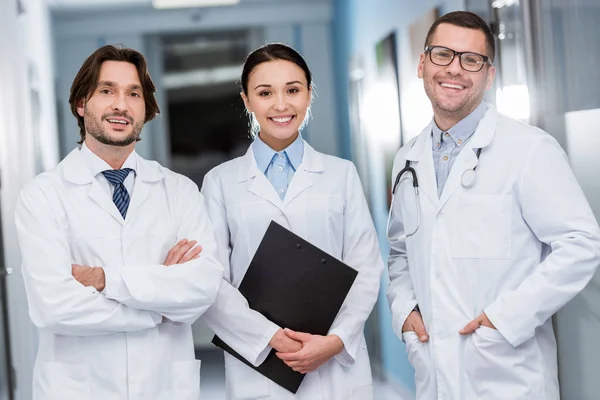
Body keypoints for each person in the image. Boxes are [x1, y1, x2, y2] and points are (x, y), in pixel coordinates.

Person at [386, 10, 600, 400]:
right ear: (422, 64)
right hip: (434, 373)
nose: (454, 69)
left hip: (507, 374)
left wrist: (504, 320)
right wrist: (404, 312)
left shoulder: (530, 149)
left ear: (489, 75)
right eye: (442, 55)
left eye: (471, 60)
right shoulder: (407, 159)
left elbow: (581, 244)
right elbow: (401, 252)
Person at [15, 45, 223, 400]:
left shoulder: (180, 191)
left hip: (164, 385)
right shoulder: (43, 195)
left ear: (146, 108)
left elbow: (201, 288)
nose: (121, 106)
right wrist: (159, 309)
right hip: (79, 388)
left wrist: (101, 279)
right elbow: (53, 308)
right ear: (82, 104)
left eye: (134, 94)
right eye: (107, 91)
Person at [200, 43, 383, 400]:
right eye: (265, 93)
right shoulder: (219, 182)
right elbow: (212, 280)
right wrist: (270, 336)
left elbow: (366, 267)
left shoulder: (341, 174)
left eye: (293, 90)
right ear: (246, 101)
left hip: (334, 366)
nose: (281, 105)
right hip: (260, 365)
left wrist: (335, 340)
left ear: (309, 94)